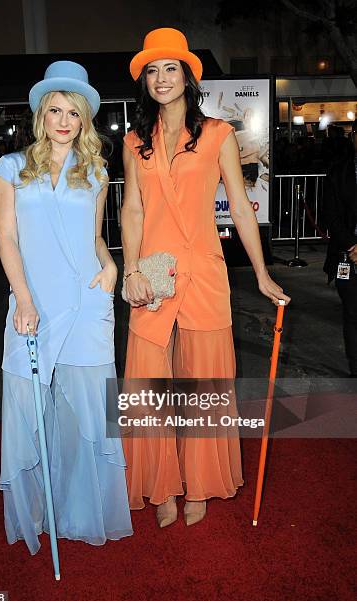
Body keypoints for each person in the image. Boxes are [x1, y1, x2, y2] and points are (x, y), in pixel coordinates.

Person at [121, 28, 290, 527]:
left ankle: (198, 483)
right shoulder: (135, 140)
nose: (161, 78)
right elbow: (131, 210)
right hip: (152, 268)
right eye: (152, 70)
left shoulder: (218, 133)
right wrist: (130, 269)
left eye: (170, 67)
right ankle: (162, 484)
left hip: (205, 267)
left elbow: (239, 205)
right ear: (145, 81)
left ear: (189, 76)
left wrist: (260, 272)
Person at [0, 61, 133, 554]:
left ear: (85, 120)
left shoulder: (95, 171)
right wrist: (24, 299)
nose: (64, 120)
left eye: (73, 112)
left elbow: (95, 238)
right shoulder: (10, 168)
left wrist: (111, 267)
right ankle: (37, 511)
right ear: (41, 114)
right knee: (29, 409)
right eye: (55, 109)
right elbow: (7, 239)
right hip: (33, 305)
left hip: (87, 300)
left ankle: (78, 509)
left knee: (89, 416)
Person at [323, 120, 357, 377]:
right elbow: (332, 216)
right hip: (348, 255)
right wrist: (352, 246)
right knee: (352, 313)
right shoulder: (338, 173)